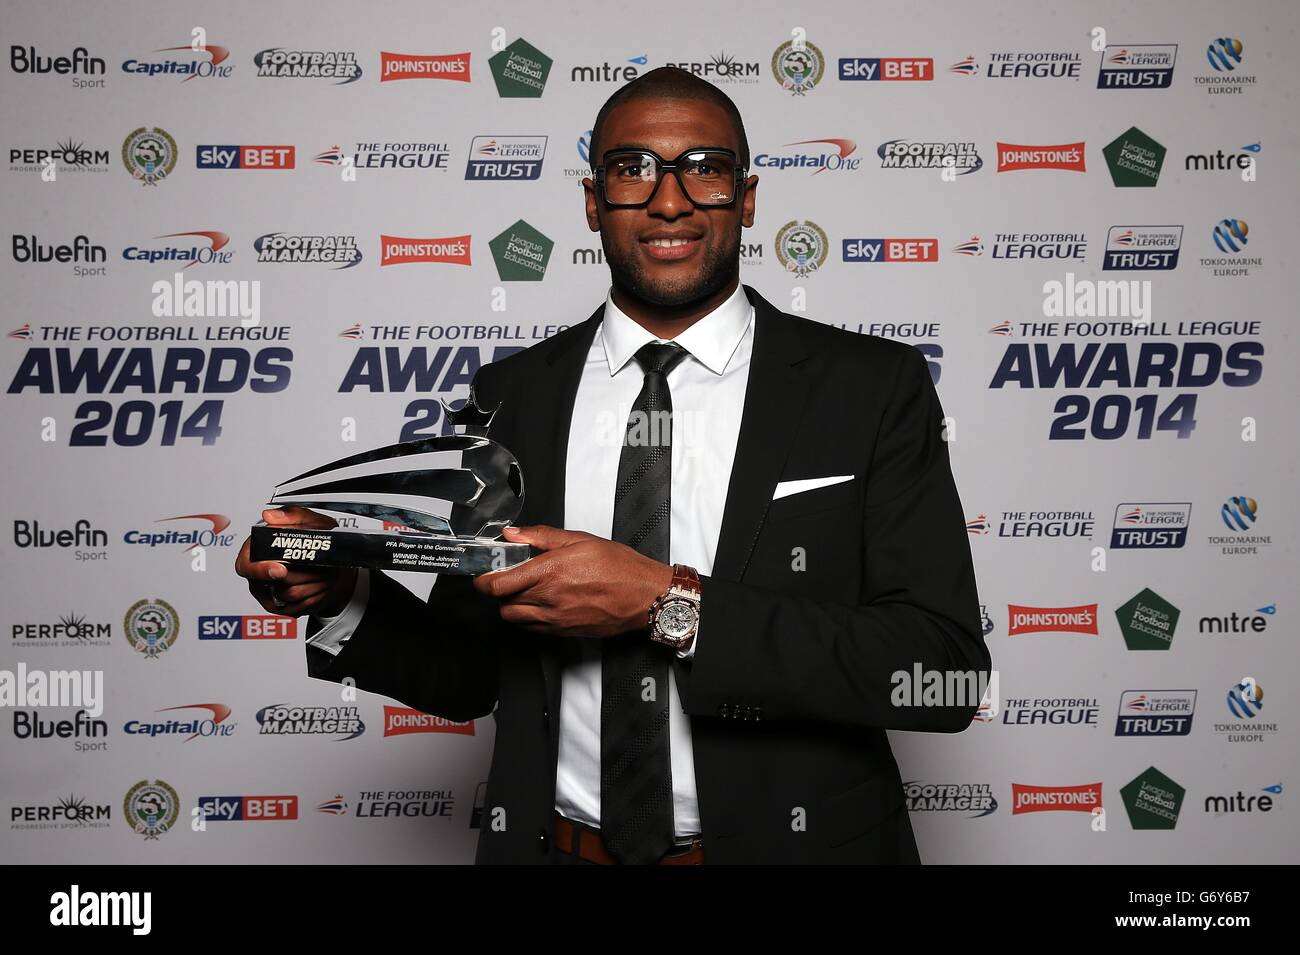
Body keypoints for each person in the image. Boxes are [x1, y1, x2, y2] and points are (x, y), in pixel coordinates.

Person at [235, 67, 990, 865]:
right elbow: (470, 668)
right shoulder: (512, 396)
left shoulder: (870, 387)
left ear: (749, 195)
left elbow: (937, 668)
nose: (670, 200)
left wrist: (667, 604)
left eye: (705, 166)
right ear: (593, 201)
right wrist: (343, 587)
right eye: (633, 170)